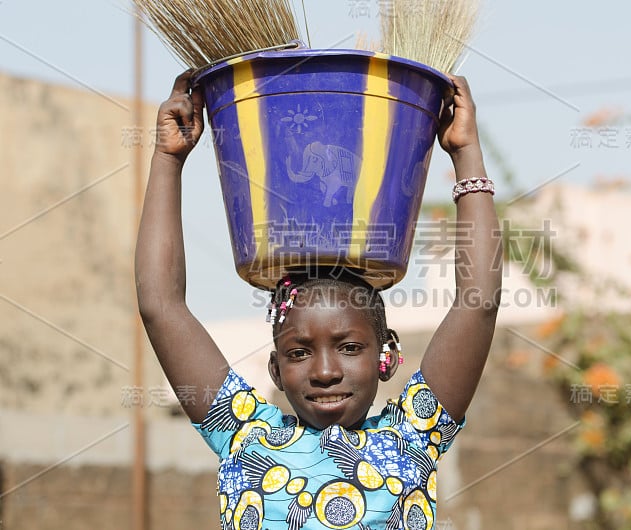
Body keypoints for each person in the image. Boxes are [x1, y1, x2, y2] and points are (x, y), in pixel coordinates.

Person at [135, 69, 502, 530]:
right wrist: (168, 159)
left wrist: (466, 153)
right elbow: (160, 306)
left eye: (349, 347)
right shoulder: (246, 437)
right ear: (275, 370)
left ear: (386, 355)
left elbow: (479, 302)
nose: (326, 372)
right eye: (299, 352)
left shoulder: (412, 436)